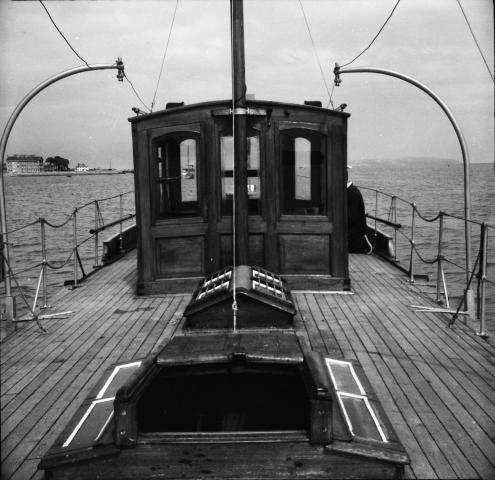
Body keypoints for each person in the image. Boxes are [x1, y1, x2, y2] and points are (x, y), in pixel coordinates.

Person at [347, 170, 372, 254]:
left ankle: (363, 244)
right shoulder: (348, 191)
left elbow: (351, 217)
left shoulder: (353, 193)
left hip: (354, 238)